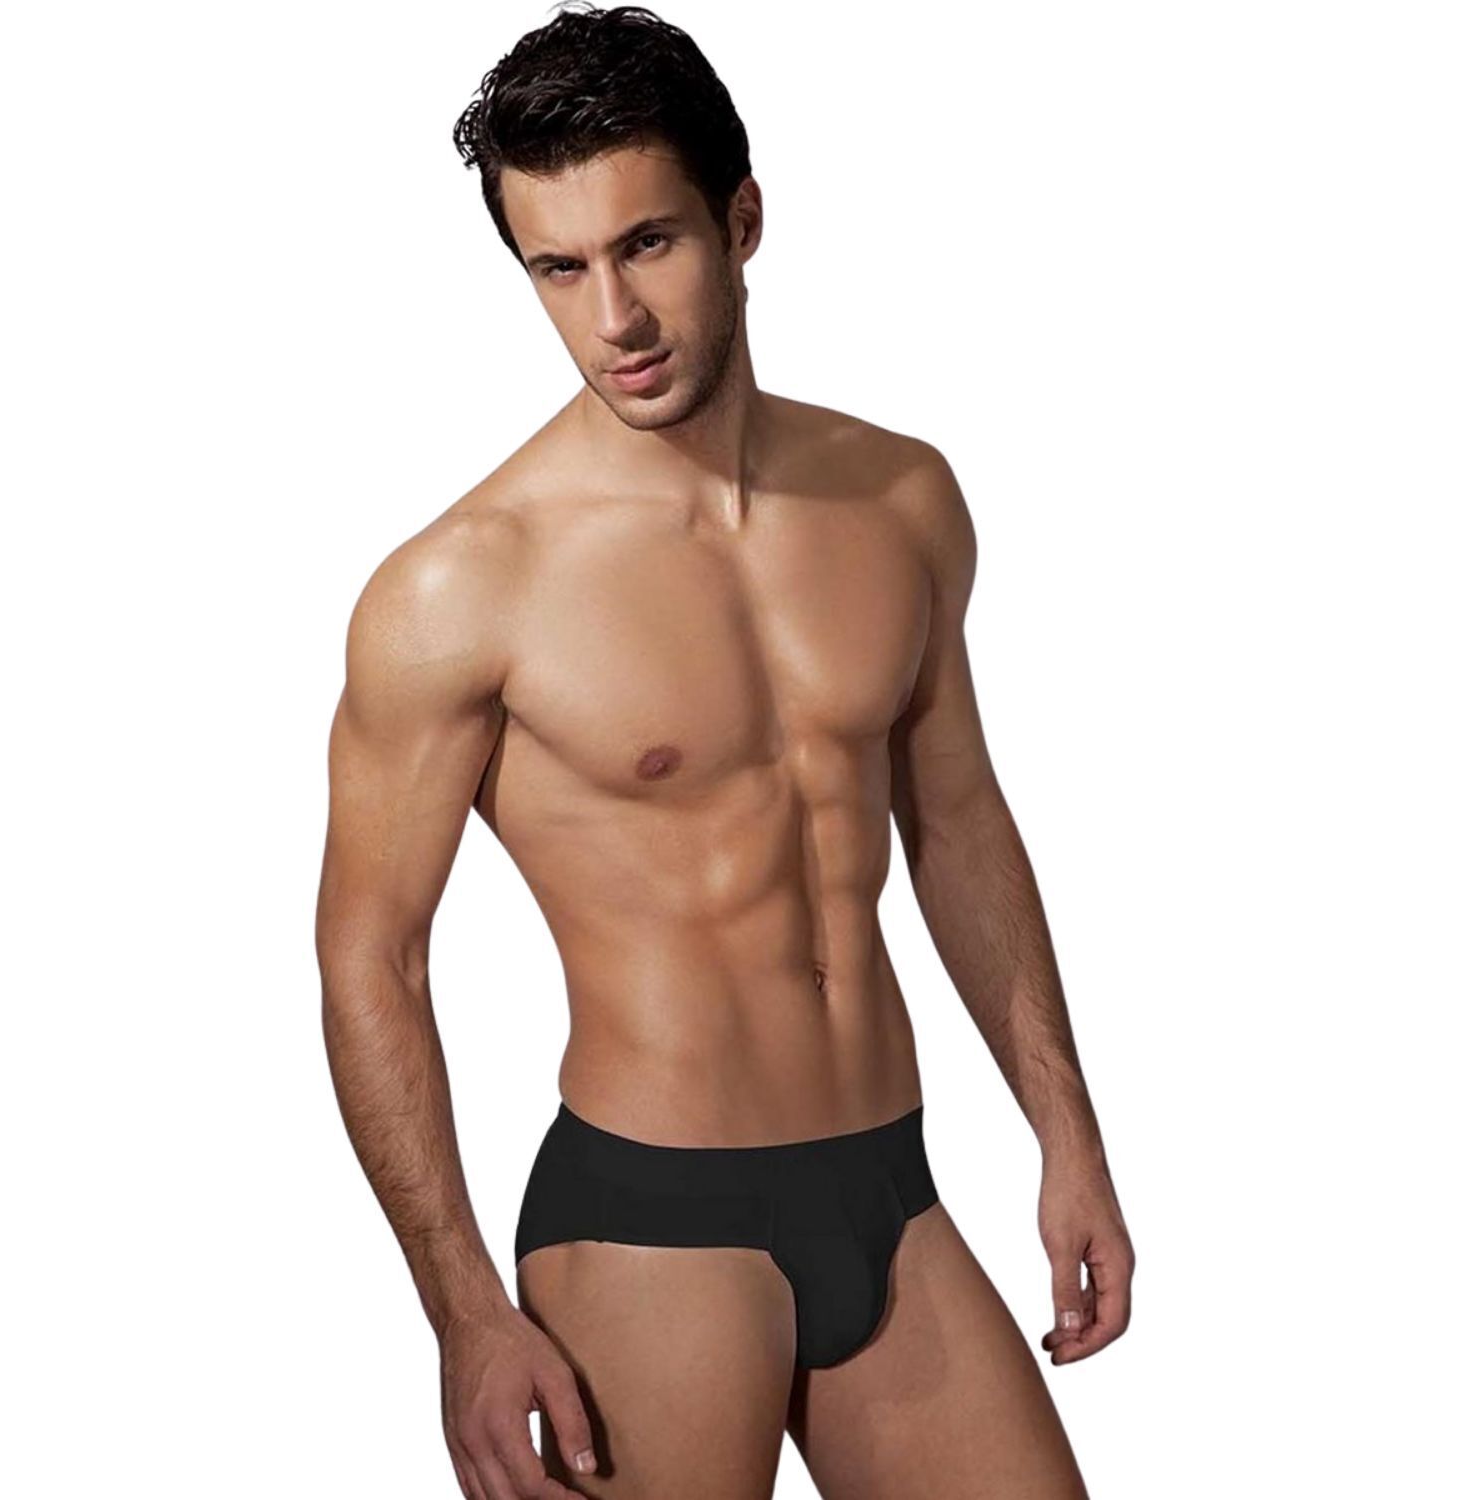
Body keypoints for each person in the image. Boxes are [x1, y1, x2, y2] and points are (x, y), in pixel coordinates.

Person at [314, 4, 1134, 1496]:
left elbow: (958, 824)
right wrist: (462, 1313)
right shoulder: (463, 587)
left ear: (741, 221)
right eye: (559, 268)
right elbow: (375, 956)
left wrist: (1065, 1134)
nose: (613, 318)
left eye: (647, 245)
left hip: (893, 1189)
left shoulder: (899, 501)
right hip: (648, 1224)